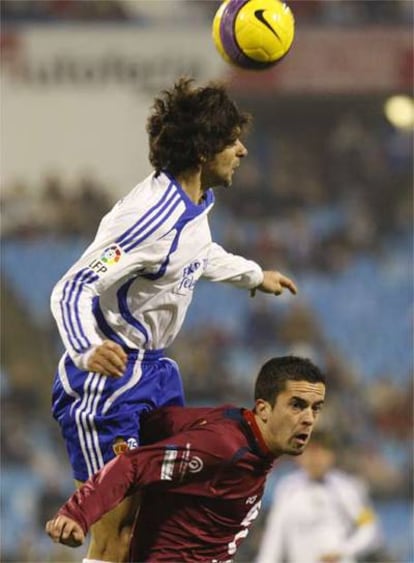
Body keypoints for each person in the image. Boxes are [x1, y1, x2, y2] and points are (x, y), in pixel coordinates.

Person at [49, 76, 298, 563]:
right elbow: (73, 285)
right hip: (109, 378)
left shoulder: (196, 202)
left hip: (157, 374)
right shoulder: (146, 217)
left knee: (151, 527)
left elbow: (198, 255)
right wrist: (84, 347)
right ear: (204, 150)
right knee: (114, 536)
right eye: (232, 141)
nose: (243, 151)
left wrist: (253, 275)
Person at [46, 355, 326, 562]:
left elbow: (159, 424)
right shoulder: (223, 448)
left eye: (316, 408)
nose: (308, 419)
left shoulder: (243, 435)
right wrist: (78, 513)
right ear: (264, 408)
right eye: (297, 405)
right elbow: (133, 464)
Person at [255, 429, 383, 563]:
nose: (315, 460)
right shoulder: (287, 489)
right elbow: (274, 539)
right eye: (310, 453)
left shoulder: (347, 488)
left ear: (331, 456)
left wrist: (343, 550)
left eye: (321, 453)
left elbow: (370, 529)